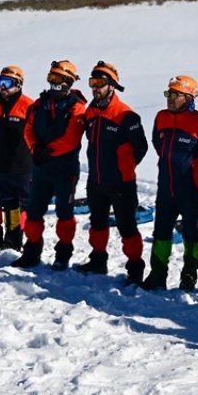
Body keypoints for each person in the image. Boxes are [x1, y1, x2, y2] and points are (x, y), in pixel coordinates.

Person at [143, 75, 198, 291]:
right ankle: (158, 274)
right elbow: (157, 143)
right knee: (161, 232)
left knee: (191, 233)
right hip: (166, 188)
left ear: (189, 97)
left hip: (191, 190)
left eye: (174, 95)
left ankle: (189, 275)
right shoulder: (161, 117)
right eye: (168, 94)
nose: (169, 99)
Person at [75, 61, 149, 284]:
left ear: (112, 85)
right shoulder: (91, 111)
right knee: (97, 223)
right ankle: (98, 261)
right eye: (92, 82)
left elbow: (141, 148)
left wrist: (123, 166)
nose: (95, 87)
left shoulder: (126, 115)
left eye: (100, 83)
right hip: (96, 181)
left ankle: (135, 269)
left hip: (121, 183)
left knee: (127, 228)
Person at [12, 61, 88, 270]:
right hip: (41, 168)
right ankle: (32, 251)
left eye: (59, 80)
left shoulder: (77, 108)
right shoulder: (39, 104)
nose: (54, 84)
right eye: (51, 78)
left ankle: (63, 254)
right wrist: (35, 148)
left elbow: (71, 138)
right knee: (33, 211)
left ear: (69, 82)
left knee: (64, 213)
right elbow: (28, 129)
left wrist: (46, 151)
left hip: (65, 170)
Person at [0, 66, 33, 249]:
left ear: (18, 84)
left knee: (21, 206)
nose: (2, 87)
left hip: (21, 166)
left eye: (7, 83)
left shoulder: (28, 106)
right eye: (0, 83)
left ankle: (19, 239)